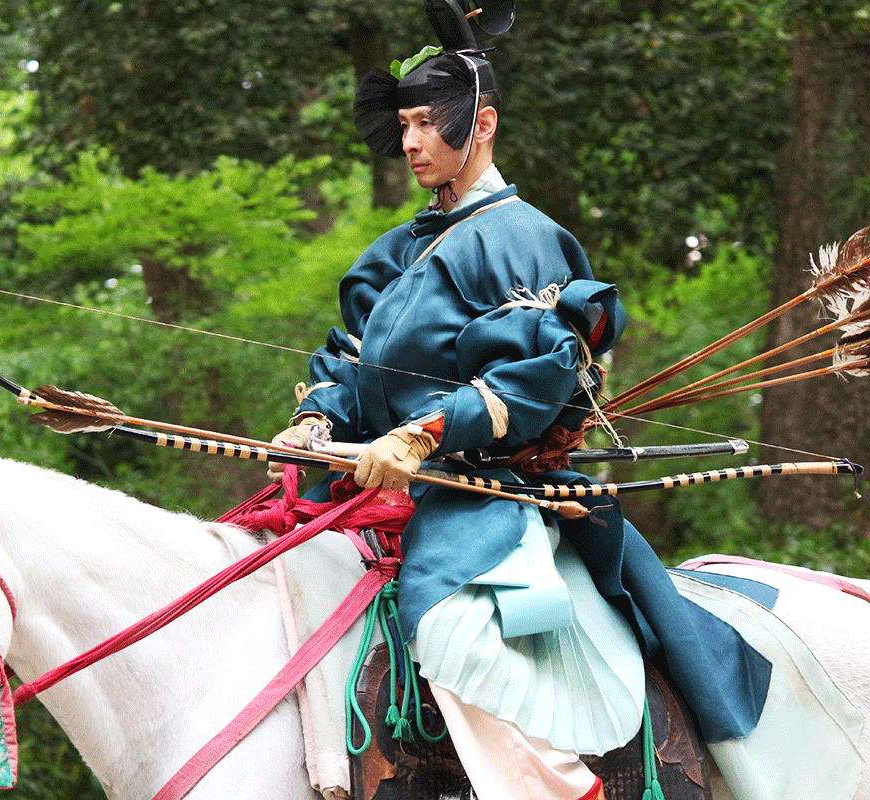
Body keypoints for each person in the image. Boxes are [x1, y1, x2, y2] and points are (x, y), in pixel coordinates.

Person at [268, 4, 774, 798]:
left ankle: (563, 787)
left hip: (483, 495)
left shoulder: (522, 236)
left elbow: (531, 378)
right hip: (373, 484)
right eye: (404, 124)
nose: (411, 143)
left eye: (430, 124)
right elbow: (349, 351)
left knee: (451, 629)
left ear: (485, 123)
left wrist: (424, 433)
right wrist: (317, 417)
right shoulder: (397, 245)